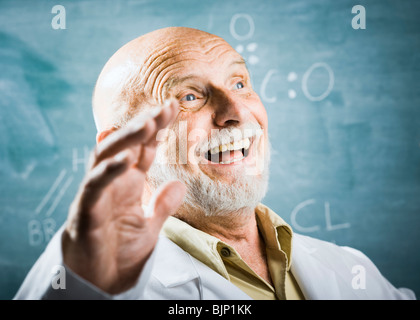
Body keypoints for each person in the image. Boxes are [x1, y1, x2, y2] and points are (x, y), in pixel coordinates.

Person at [14, 27, 415, 300]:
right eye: (190, 96)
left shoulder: (350, 270)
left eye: (240, 84)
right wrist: (80, 286)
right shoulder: (102, 288)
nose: (237, 111)